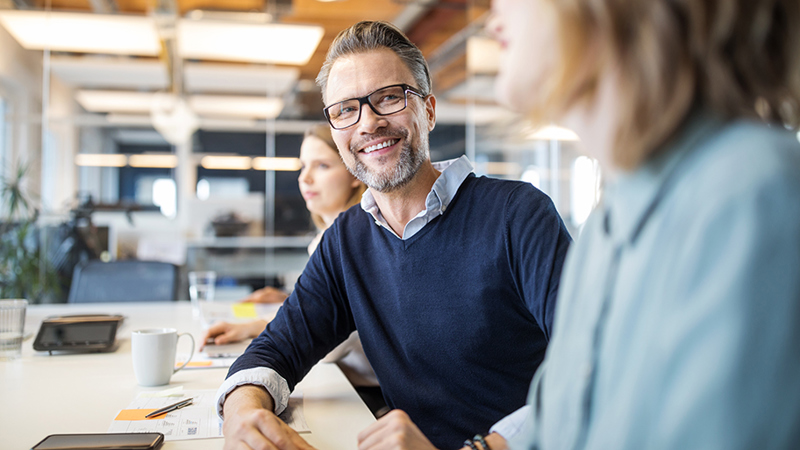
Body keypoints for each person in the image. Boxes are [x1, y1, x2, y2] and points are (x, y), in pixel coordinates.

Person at [214, 20, 572, 450]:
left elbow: (591, 367)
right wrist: (243, 415)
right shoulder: (347, 241)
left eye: (388, 98)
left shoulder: (518, 214)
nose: (368, 123)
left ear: (430, 111)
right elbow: (276, 348)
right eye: (346, 110)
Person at [200, 124, 384, 413]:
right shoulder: (326, 237)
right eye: (302, 166)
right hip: (350, 385)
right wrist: (291, 299)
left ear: (353, 173)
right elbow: (335, 307)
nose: (305, 178)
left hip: (368, 396)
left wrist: (256, 325)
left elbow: (329, 342)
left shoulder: (353, 240)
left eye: (322, 166)